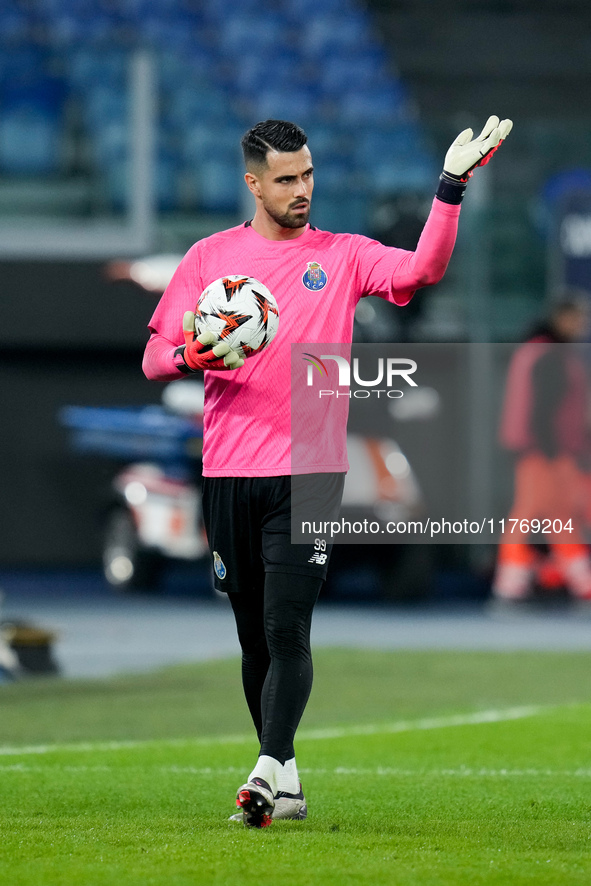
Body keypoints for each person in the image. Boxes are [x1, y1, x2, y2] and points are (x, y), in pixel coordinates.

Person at [142, 116, 512, 826]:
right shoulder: (210, 258)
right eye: (286, 179)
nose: (301, 189)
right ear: (253, 183)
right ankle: (286, 778)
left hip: (310, 470)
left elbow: (420, 270)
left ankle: (260, 773)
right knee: (253, 639)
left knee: (287, 631)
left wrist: (449, 189)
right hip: (226, 471)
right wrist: (192, 357)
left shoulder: (340, 256)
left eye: (307, 174)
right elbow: (157, 354)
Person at [492, 297, 591, 603]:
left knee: (550, 515)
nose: (581, 326)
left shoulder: (536, 349)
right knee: (535, 514)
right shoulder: (549, 354)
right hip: (544, 449)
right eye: (577, 319)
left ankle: (573, 581)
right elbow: (544, 409)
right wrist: (554, 454)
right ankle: (511, 584)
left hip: (536, 448)